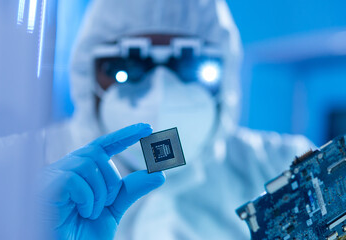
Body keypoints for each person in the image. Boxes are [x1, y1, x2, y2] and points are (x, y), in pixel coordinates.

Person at [44, 0, 315, 239]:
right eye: (126, 66)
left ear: (227, 73)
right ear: (86, 73)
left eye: (189, 64)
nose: (160, 91)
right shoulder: (27, 165)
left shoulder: (281, 164)